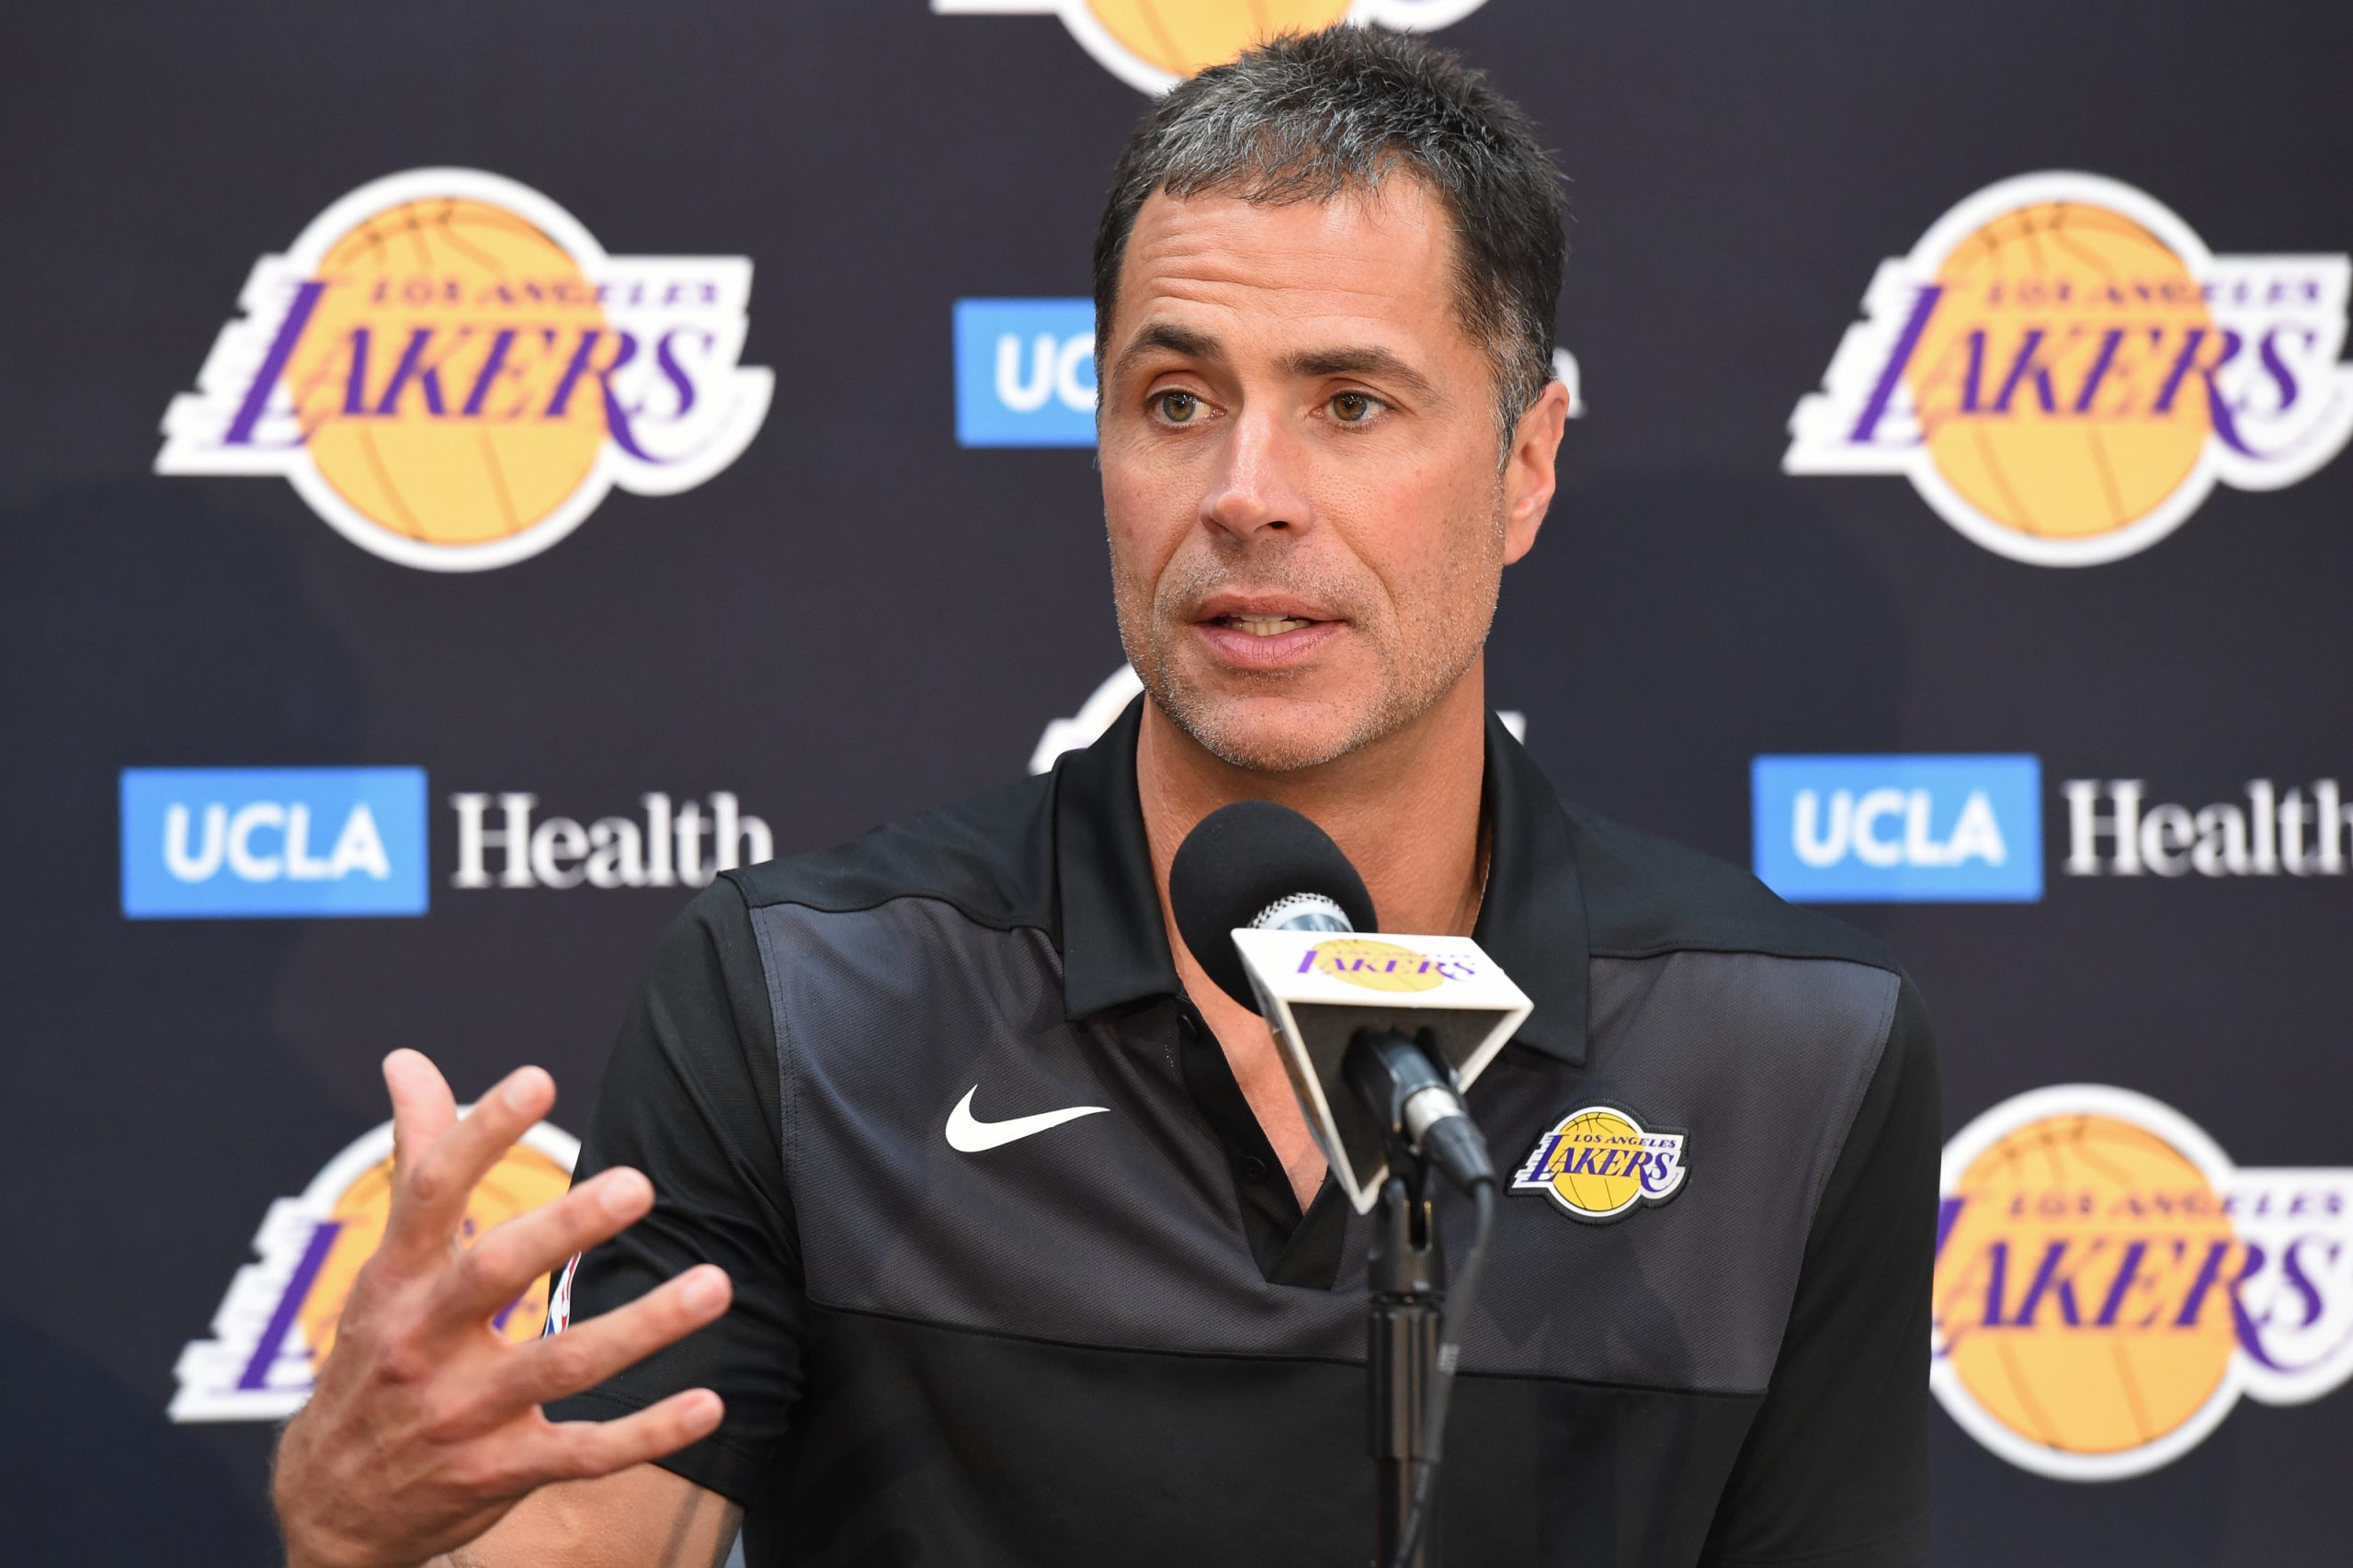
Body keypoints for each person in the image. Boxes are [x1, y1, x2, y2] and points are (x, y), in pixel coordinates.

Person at [273, 26, 1938, 1568]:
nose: (1244, 494)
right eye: (1176, 401)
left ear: (1526, 463)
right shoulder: (808, 1007)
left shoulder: (1790, 1052)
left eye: (1349, 404)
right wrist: (362, 1539)